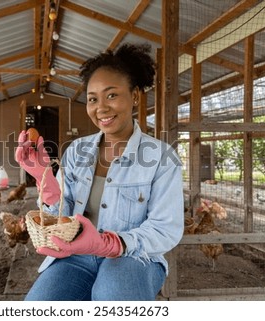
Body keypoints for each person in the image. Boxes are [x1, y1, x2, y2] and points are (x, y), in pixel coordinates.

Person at [15, 43, 184, 301]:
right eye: (93, 99)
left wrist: (110, 244)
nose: (101, 108)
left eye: (112, 95)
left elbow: (165, 229)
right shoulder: (76, 151)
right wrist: (45, 180)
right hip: (75, 255)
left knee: (112, 296)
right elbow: (61, 215)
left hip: (134, 257)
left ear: (135, 96)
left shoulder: (161, 157)